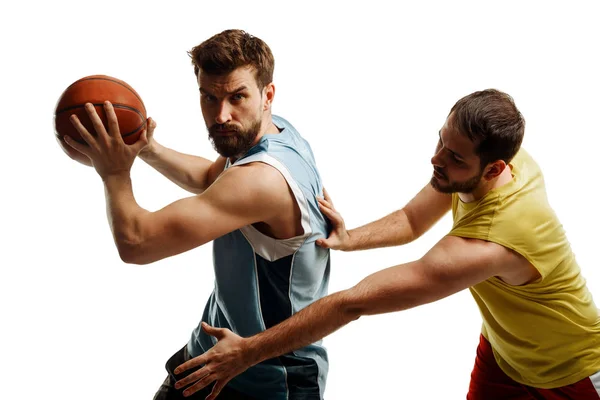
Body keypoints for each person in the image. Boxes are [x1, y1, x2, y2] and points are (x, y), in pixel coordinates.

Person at [172, 89, 600, 399]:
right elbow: (412, 219)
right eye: (440, 141)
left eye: (455, 157)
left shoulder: (489, 245)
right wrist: (349, 238)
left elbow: (352, 303)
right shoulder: (491, 165)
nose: (437, 159)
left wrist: (248, 351)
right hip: (507, 355)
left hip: (574, 371)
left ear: (494, 169)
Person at [63, 29, 331, 400]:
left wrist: (113, 173)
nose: (221, 115)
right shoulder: (276, 131)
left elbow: (137, 244)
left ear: (267, 94)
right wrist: (147, 148)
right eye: (209, 97)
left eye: (237, 97)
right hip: (210, 356)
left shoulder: (262, 180)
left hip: (270, 381)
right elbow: (212, 178)